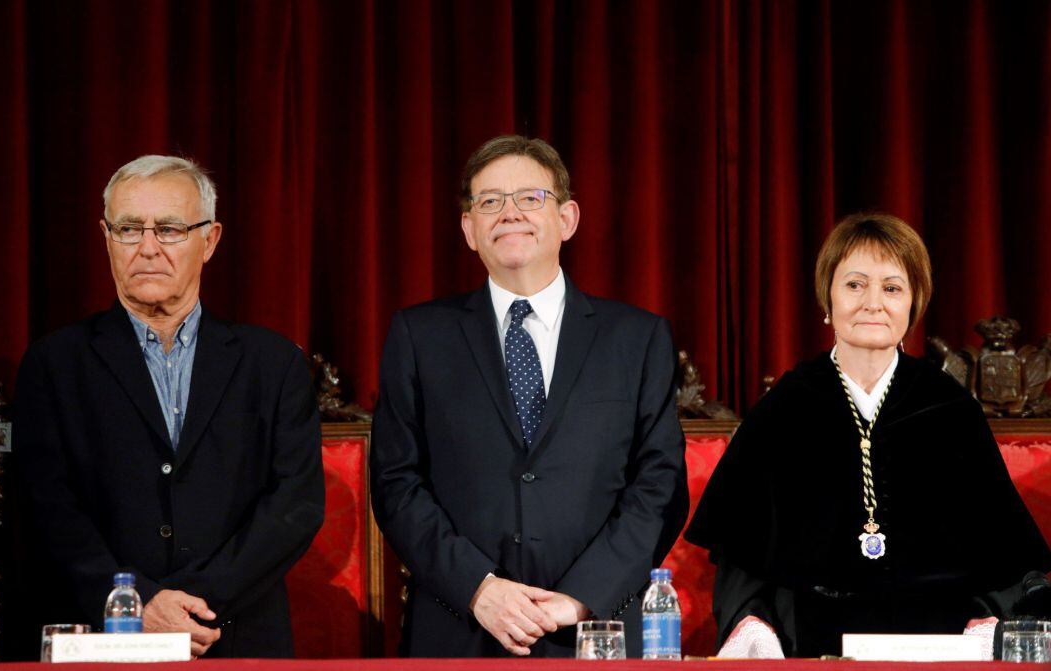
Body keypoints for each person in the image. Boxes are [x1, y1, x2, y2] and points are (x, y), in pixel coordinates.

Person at [370, 135, 689, 657]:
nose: (509, 213)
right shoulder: (420, 336)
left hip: (595, 632)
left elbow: (660, 484)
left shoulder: (636, 338)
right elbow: (395, 482)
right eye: (489, 201)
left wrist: (581, 597)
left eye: (530, 198)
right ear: (469, 229)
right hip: (462, 629)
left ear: (567, 219)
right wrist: (479, 589)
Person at [684, 213, 1051, 658]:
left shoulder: (948, 406)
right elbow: (742, 555)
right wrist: (754, 623)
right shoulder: (786, 406)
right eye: (855, 285)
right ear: (828, 298)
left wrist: (982, 623)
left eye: (892, 288)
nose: (872, 303)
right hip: (809, 645)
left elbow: (1001, 552)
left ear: (913, 304)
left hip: (940, 644)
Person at [14, 155, 324, 658]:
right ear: (106, 237)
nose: (148, 248)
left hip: (233, 635)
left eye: (171, 229)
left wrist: (190, 606)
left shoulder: (273, 364)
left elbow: (296, 504)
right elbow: (48, 510)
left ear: (212, 239)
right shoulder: (54, 365)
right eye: (130, 228)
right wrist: (138, 602)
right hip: (101, 640)